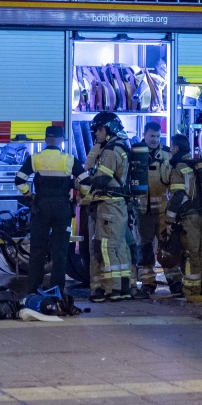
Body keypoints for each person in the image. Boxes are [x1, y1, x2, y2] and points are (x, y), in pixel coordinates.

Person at [15, 125, 84, 296]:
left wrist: (29, 195)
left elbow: (19, 180)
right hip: (62, 208)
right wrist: (79, 197)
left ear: (46, 139)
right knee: (60, 250)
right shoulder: (69, 159)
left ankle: (33, 290)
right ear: (62, 140)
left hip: (41, 207)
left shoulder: (35, 159)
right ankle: (57, 290)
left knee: (37, 250)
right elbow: (86, 182)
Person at [79, 111, 134, 302]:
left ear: (109, 129)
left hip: (108, 206)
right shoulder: (118, 147)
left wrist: (82, 181)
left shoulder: (110, 152)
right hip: (116, 205)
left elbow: (101, 179)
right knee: (119, 246)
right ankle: (124, 287)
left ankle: (112, 289)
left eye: (99, 130)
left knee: (106, 247)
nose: (96, 134)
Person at [166, 134, 202, 297]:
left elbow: (178, 195)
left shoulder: (178, 166)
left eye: (171, 147)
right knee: (200, 251)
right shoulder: (194, 164)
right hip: (201, 214)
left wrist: (169, 219)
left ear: (176, 148)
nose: (170, 150)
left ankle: (192, 289)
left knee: (190, 252)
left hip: (188, 216)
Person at [130, 121, 173, 296]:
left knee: (168, 247)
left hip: (163, 210)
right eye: (152, 136)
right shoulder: (135, 154)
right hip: (142, 211)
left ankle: (175, 280)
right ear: (145, 135)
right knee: (144, 248)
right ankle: (148, 283)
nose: (155, 140)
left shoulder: (167, 154)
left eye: (157, 136)